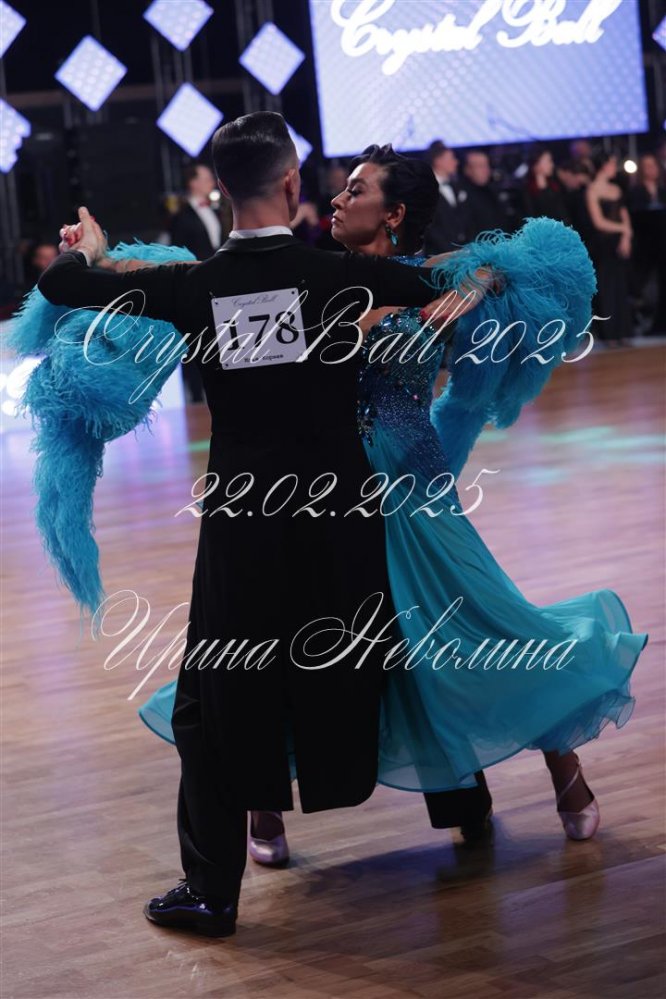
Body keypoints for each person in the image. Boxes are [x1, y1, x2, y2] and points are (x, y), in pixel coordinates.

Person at [138, 146, 647, 874]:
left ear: (395, 213)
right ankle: (262, 802)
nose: (336, 200)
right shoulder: (312, 274)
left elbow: (520, 262)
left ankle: (564, 766)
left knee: (478, 628)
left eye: (355, 191)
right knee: (295, 640)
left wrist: (475, 285)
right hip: (327, 489)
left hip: (414, 486)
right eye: (340, 189)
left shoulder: (428, 275)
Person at [33, 112, 474, 939]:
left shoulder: (193, 286)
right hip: (342, 526)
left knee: (212, 701)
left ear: (222, 190)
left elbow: (61, 288)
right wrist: (469, 287)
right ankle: (463, 802)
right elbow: (458, 274)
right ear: (293, 183)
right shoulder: (341, 274)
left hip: (244, 529)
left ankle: (213, 890)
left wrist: (87, 248)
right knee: (387, 667)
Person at [585, 152, 634, 345]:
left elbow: (624, 216)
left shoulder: (616, 189)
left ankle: (623, 331)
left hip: (618, 243)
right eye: (612, 163)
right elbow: (599, 222)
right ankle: (610, 334)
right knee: (607, 288)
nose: (615, 167)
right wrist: (623, 229)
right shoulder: (592, 190)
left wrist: (626, 237)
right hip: (602, 245)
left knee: (621, 286)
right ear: (603, 165)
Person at [628, 153, 666, 335]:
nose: (651, 169)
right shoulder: (635, 191)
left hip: (663, 243)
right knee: (644, 284)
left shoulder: (663, 190)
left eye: (653, 165)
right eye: (647, 165)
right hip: (644, 245)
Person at [423, 140, 468, 254]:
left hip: (460, 252)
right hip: (438, 255)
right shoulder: (426, 188)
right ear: (438, 161)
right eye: (451, 158)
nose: (456, 162)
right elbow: (430, 228)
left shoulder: (455, 186)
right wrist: (449, 251)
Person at [460, 150, 509, 240]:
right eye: (480, 166)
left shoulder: (493, 192)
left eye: (487, 165)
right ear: (467, 170)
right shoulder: (460, 196)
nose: (486, 170)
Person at [523, 148, 570, 224]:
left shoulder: (555, 185)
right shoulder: (527, 191)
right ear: (536, 164)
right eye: (549, 161)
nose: (552, 165)